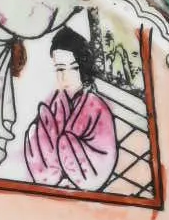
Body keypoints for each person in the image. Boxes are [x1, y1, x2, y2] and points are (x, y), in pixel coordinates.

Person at [22, 24, 119, 192]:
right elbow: (47, 136)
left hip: (92, 165)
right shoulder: (57, 101)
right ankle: (50, 178)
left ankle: (59, 177)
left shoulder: (95, 105)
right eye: (60, 68)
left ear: (83, 67)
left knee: (64, 140)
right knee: (34, 130)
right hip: (62, 165)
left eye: (73, 68)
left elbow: (101, 149)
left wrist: (63, 141)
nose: (65, 76)